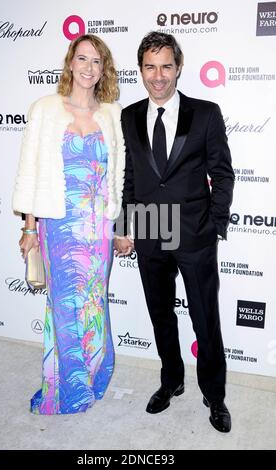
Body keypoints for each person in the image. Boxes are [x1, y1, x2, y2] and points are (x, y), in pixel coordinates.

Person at [114, 31, 234, 433]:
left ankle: (214, 395)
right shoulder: (128, 115)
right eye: (150, 67)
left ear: (179, 67)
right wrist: (123, 226)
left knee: (205, 317)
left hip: (194, 230)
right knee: (161, 315)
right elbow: (126, 176)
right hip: (149, 227)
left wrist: (214, 224)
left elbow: (221, 172)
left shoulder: (205, 113)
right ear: (141, 70)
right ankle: (172, 380)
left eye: (166, 66)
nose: (158, 75)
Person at [12, 34, 125, 414]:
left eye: (97, 61)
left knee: (93, 303)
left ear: (103, 68)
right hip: (59, 225)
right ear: (70, 63)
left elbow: (118, 177)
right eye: (82, 59)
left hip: (98, 230)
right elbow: (30, 172)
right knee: (64, 305)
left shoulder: (111, 114)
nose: (89, 68)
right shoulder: (45, 109)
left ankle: (92, 373)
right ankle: (65, 384)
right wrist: (30, 228)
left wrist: (119, 222)